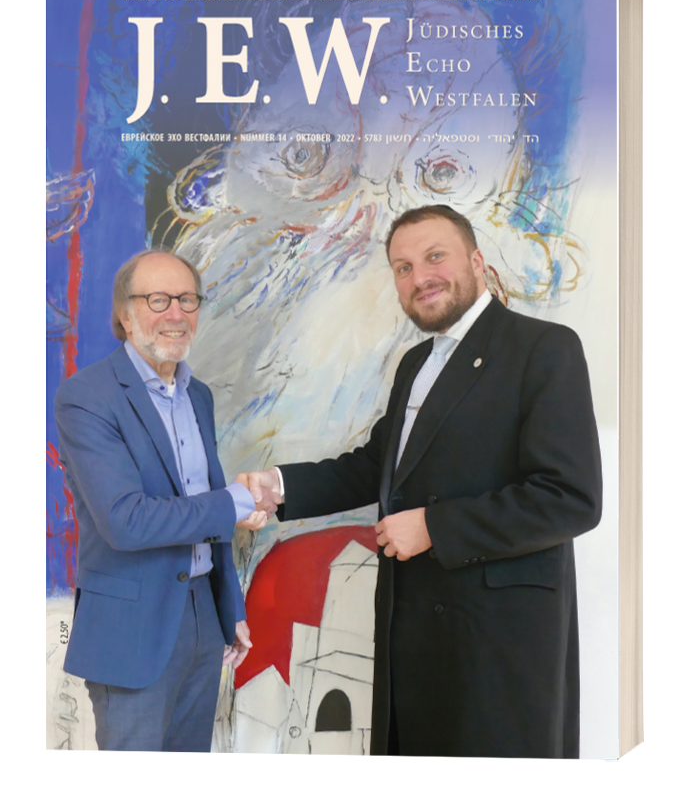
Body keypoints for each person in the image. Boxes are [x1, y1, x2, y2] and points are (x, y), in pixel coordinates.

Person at [244, 205, 603, 762]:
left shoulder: (544, 348)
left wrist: (436, 526)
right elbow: (378, 466)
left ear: (477, 262)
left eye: (436, 257)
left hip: (496, 645)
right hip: (411, 632)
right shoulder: (415, 363)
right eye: (403, 267)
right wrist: (279, 486)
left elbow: (570, 498)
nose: (420, 277)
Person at [54, 249, 266, 756]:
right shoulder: (86, 397)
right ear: (125, 315)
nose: (176, 313)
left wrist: (229, 607)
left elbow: (202, 504)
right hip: (132, 630)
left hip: (203, 619)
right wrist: (236, 502)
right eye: (158, 300)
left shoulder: (199, 396)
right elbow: (125, 521)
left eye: (188, 299)